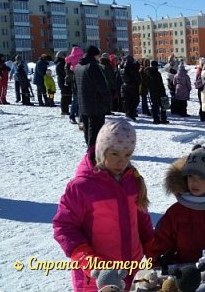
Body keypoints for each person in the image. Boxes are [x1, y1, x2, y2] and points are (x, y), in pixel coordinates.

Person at [53, 119, 154, 292]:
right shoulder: (82, 186)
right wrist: (91, 263)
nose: (122, 161)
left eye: (127, 155)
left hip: (131, 270)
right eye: (114, 154)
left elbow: (141, 219)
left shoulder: (132, 181)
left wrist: (154, 249)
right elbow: (65, 227)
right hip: (97, 276)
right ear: (101, 151)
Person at [73, 46, 111, 147]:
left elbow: (75, 87)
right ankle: (93, 155)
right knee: (95, 132)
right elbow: (102, 86)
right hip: (95, 105)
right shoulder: (93, 66)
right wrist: (107, 101)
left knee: (87, 131)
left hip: (83, 104)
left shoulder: (77, 67)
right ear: (95, 55)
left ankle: (90, 151)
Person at [66, 46, 84, 124]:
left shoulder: (69, 60)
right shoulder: (81, 58)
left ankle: (73, 116)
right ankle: (79, 116)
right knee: (80, 100)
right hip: (80, 80)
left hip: (74, 81)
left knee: (75, 100)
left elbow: (67, 71)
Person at [120, 55, 141, 121]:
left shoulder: (122, 67)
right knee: (134, 101)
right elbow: (135, 76)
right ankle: (131, 113)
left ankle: (129, 112)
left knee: (128, 101)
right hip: (132, 86)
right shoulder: (130, 67)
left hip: (125, 85)